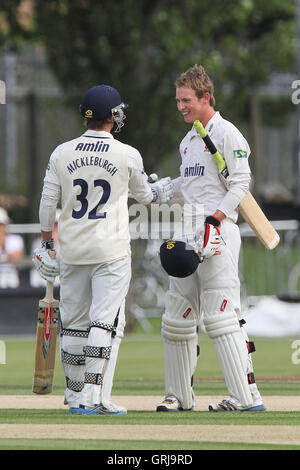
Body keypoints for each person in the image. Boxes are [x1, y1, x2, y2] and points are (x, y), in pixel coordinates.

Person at [32, 84, 173, 415]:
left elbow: (46, 204)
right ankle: (95, 397)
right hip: (110, 251)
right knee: (103, 323)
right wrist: (162, 189)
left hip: (73, 250)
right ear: (112, 116)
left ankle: (76, 395)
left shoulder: (61, 153)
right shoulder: (127, 154)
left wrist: (47, 244)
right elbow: (147, 196)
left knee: (75, 324)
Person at [156, 65, 265, 412]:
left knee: (221, 316)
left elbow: (240, 183)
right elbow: (191, 187)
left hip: (217, 231)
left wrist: (214, 221)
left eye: (186, 100)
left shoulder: (228, 133)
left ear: (205, 97)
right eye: (178, 100)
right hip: (187, 230)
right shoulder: (189, 140)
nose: (181, 106)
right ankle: (178, 396)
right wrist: (163, 189)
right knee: (177, 317)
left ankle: (245, 398)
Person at [0, 207, 24, 288]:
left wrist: (3, 246)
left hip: (11, 278)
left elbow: (17, 258)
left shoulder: (16, 239)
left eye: (1, 225)